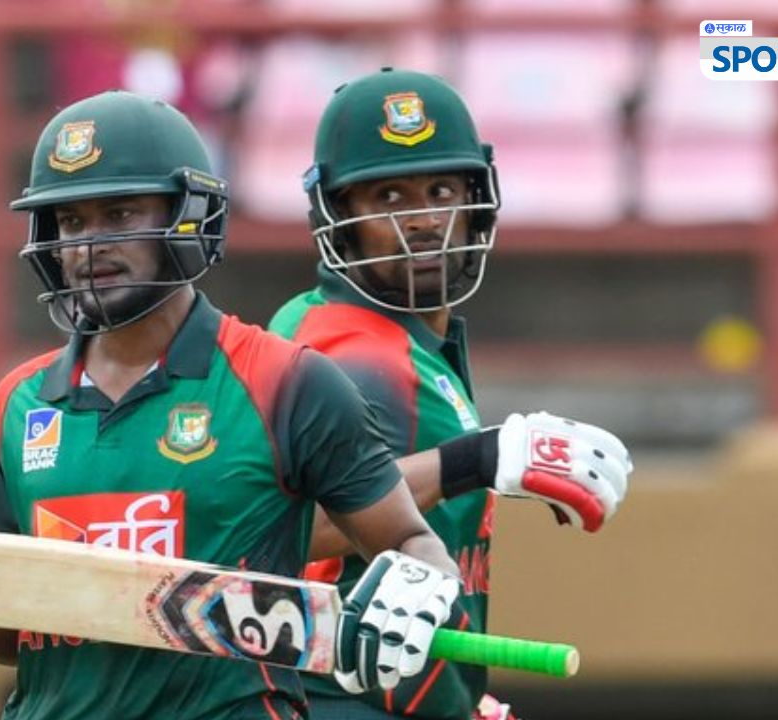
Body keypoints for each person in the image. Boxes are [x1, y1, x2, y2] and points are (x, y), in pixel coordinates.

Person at [0, 90, 469, 720]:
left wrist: (417, 585)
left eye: (119, 215)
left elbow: (414, 541)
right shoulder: (19, 403)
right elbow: (23, 622)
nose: (89, 244)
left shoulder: (286, 380)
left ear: (190, 216)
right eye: (72, 222)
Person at [269, 69, 633, 720]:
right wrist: (475, 460)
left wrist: (455, 699)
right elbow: (276, 526)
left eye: (440, 190)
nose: (425, 221)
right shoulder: (361, 359)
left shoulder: (376, 333)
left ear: (476, 198)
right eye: (388, 198)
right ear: (338, 214)